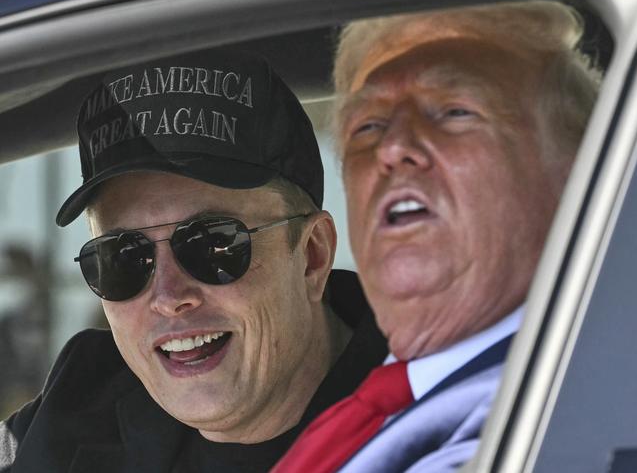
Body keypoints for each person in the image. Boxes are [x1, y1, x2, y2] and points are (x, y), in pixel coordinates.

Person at [0, 49, 387, 472]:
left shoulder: (442, 424)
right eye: (122, 258)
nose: (168, 296)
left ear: (313, 256)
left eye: (212, 245)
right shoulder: (76, 407)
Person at [273, 0, 602, 472]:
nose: (392, 147)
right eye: (369, 125)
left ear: (579, 174)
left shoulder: (555, 414)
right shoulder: (402, 407)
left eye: (454, 111)